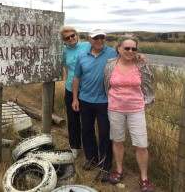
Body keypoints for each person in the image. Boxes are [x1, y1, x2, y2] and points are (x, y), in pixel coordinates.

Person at [104, 34, 155, 192]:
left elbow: (148, 83)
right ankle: (119, 170)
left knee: (141, 145)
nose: (130, 51)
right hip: (115, 108)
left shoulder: (141, 64)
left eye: (134, 48)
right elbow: (106, 84)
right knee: (118, 141)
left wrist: (148, 101)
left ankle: (144, 178)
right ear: (119, 48)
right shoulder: (110, 65)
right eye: (127, 48)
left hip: (136, 109)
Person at [72, 28, 117, 182]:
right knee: (87, 130)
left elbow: (128, 57)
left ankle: (105, 164)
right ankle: (92, 158)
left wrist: (139, 56)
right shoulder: (82, 55)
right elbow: (76, 77)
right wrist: (75, 98)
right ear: (89, 40)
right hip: (85, 100)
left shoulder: (113, 53)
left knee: (105, 132)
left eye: (102, 37)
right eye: (96, 38)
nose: (99, 40)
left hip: (105, 101)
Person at [60, 25, 90, 158]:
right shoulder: (65, 51)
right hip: (71, 89)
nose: (71, 38)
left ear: (77, 35)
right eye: (67, 37)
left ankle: (88, 146)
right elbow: (67, 68)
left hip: (88, 89)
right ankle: (74, 146)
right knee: (73, 119)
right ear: (64, 40)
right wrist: (70, 82)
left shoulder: (87, 46)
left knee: (87, 120)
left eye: (73, 35)